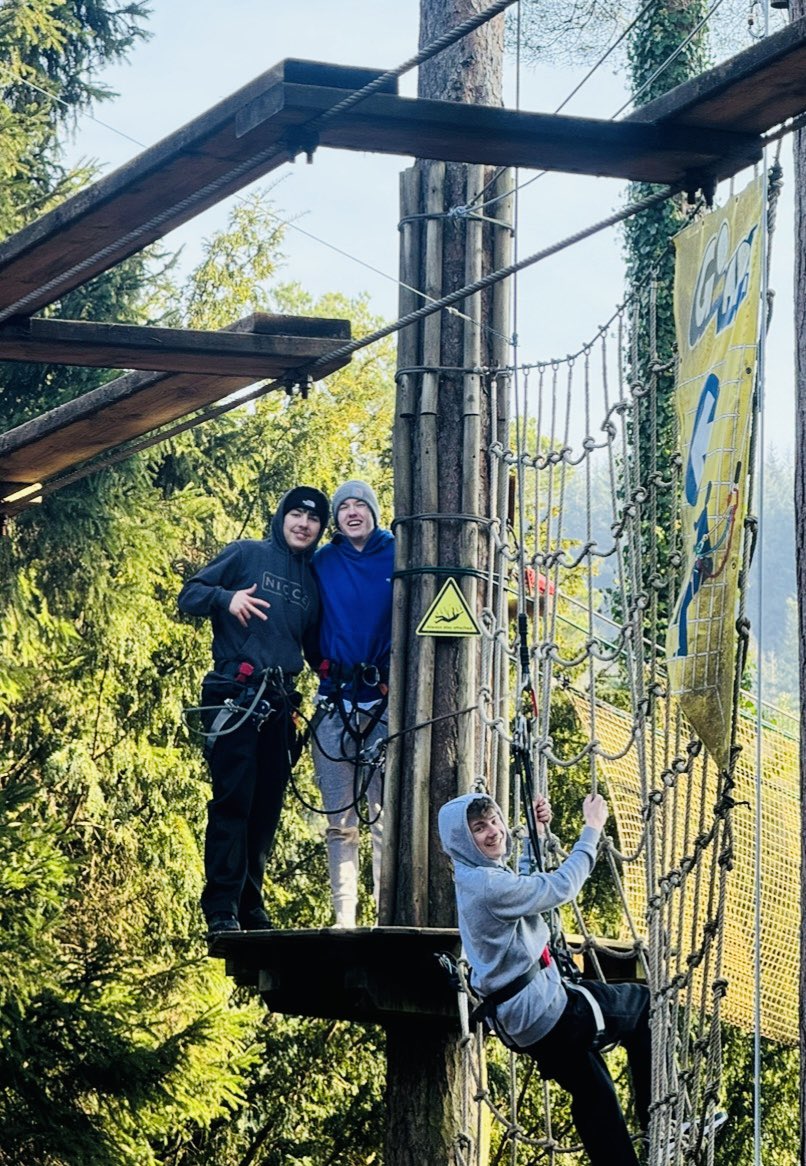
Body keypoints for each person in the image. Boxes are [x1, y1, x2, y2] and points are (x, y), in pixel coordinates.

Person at [438, 790, 651, 1166]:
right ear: (461, 840)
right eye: (478, 828)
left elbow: (521, 888)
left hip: (526, 1024)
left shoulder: (478, 876)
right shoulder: (488, 887)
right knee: (646, 1005)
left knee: (595, 1095)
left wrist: (535, 833)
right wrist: (592, 829)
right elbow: (560, 888)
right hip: (548, 1011)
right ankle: (660, 1118)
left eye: (494, 821)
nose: (493, 832)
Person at [178, 485, 329, 936]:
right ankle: (221, 907)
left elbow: (315, 646)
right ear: (282, 517)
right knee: (233, 802)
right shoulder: (246, 555)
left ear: (321, 528)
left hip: (280, 704)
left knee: (265, 809)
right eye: (297, 514)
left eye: (314, 518)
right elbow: (189, 596)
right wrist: (227, 599)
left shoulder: (311, 583)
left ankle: (251, 905)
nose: (303, 523)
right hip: (235, 696)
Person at [311, 480, 395, 928]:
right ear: (337, 520)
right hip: (333, 699)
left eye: (361, 504)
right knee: (340, 817)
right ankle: (345, 916)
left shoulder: (397, 552)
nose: (353, 512)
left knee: (382, 814)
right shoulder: (322, 561)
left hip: (382, 699)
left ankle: (384, 913)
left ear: (374, 512)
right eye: (344, 507)